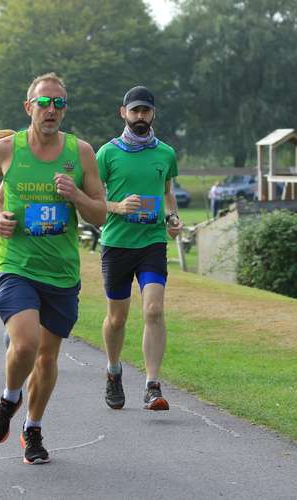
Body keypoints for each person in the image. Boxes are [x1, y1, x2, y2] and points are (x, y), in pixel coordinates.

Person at [0, 73, 106, 464]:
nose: (52, 110)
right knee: (26, 343)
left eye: (59, 103)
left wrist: (77, 195)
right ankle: (8, 400)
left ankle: (33, 429)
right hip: (17, 265)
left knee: (47, 358)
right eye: (44, 103)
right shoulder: (5, 150)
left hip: (62, 272)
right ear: (28, 107)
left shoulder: (80, 152)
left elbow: (99, 214)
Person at [96, 86, 183, 412]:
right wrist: (117, 207)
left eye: (145, 111)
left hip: (152, 243)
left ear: (153, 114)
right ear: (124, 113)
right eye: (135, 111)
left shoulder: (166, 153)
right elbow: (92, 201)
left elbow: (167, 192)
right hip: (117, 244)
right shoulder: (107, 153)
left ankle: (152, 385)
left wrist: (173, 217)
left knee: (154, 310)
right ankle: (114, 370)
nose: (140, 117)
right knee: (117, 320)